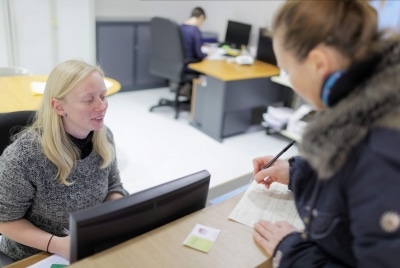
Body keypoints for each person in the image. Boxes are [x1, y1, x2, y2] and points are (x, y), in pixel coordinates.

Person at [252, 1, 400, 267]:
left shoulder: (381, 149)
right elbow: (350, 179)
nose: (289, 78)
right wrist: (296, 172)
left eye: (287, 69)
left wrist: (292, 251)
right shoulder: (372, 102)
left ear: (318, 63)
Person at [0, 60, 129, 261]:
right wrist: (57, 244)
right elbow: (5, 220)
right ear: (59, 107)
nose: (102, 106)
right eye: (89, 100)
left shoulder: (104, 137)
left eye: (103, 96)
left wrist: (114, 217)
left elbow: (114, 187)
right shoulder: (24, 157)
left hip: (89, 244)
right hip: (34, 255)